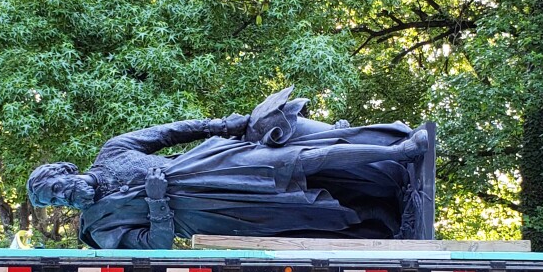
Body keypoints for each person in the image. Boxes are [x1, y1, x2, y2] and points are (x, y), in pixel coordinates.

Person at [27, 87, 430, 249]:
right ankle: (378, 217)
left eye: (59, 188)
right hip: (213, 214)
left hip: (205, 166)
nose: (64, 199)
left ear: (66, 171)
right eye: (56, 202)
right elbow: (158, 245)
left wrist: (224, 125)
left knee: (293, 160)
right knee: (304, 215)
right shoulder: (98, 230)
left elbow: (171, 133)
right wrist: (155, 203)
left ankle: (400, 153)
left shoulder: (113, 151)